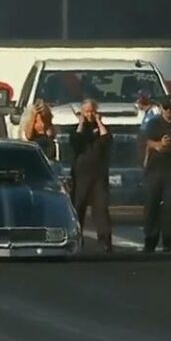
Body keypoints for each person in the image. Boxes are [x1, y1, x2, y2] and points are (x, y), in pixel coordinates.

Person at [142, 96, 171, 251]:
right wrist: (159, 145)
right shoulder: (153, 123)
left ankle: (169, 241)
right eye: (166, 108)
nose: (169, 111)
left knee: (170, 207)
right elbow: (148, 142)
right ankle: (150, 240)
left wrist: (168, 148)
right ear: (161, 108)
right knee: (151, 206)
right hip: (154, 170)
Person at [70, 99, 114, 252]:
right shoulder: (78, 130)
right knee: (78, 207)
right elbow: (76, 142)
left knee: (101, 209)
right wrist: (81, 123)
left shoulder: (101, 129)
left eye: (92, 111)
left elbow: (107, 140)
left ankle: (105, 241)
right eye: (86, 111)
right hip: (81, 174)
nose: (89, 114)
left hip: (98, 174)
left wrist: (99, 122)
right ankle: (75, 239)